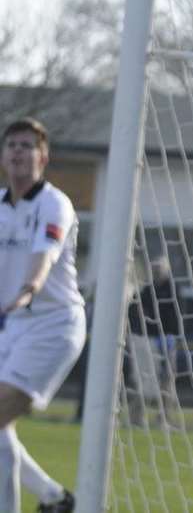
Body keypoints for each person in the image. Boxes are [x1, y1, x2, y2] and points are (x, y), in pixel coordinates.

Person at [0, 118, 86, 513]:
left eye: (26, 146)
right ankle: (54, 499)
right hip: (11, 326)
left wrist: (27, 291)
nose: (18, 151)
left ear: (43, 157)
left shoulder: (54, 204)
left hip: (53, 325)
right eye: (12, 145)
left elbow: (44, 257)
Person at [125, 256, 181, 427]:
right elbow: (135, 312)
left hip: (166, 341)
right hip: (147, 342)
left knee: (166, 381)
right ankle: (136, 418)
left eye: (159, 268)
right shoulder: (146, 290)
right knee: (141, 380)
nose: (156, 271)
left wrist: (172, 335)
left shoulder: (174, 290)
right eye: (154, 268)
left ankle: (163, 418)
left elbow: (177, 316)